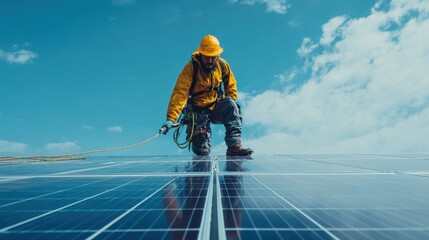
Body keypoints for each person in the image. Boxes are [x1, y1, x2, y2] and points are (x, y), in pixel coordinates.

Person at [161, 34, 253, 156]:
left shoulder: (222, 65)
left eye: (213, 57)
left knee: (232, 105)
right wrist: (171, 118)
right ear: (201, 54)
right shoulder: (191, 68)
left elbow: (231, 85)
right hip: (198, 112)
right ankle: (200, 151)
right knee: (202, 152)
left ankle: (234, 146)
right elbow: (180, 92)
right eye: (207, 57)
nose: (210, 61)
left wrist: (231, 99)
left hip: (216, 107)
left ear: (218, 55)